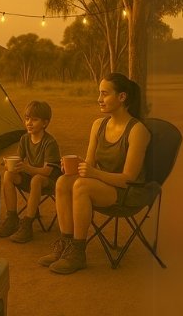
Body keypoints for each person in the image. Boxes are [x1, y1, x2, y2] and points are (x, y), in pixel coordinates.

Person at [41, 73, 150, 274]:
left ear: (122, 97)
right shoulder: (98, 125)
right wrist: (76, 167)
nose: (99, 99)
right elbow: (89, 164)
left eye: (104, 94)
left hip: (127, 192)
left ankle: (78, 253)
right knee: (64, 181)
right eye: (99, 93)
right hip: (103, 184)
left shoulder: (137, 130)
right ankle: (66, 244)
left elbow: (128, 179)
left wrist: (91, 173)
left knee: (81, 186)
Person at [0, 100, 62, 243]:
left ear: (45, 123)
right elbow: (18, 158)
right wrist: (9, 163)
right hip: (31, 178)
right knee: (9, 175)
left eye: (34, 120)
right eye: (27, 119)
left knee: (36, 179)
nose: (29, 123)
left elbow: (48, 172)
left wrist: (26, 168)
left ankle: (27, 224)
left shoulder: (50, 143)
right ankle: (12, 218)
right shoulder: (24, 139)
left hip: (49, 182)